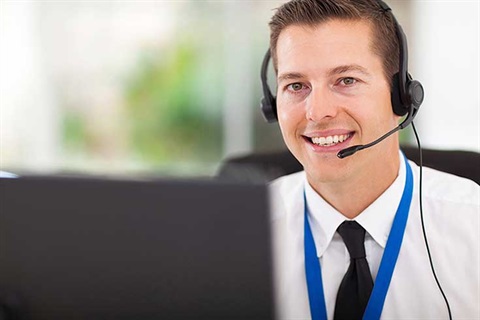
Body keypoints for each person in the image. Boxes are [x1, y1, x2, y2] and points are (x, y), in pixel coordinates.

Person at [264, 0, 480, 319]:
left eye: (346, 80)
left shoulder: (473, 227)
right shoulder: (237, 236)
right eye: (296, 86)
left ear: (401, 96)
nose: (317, 111)